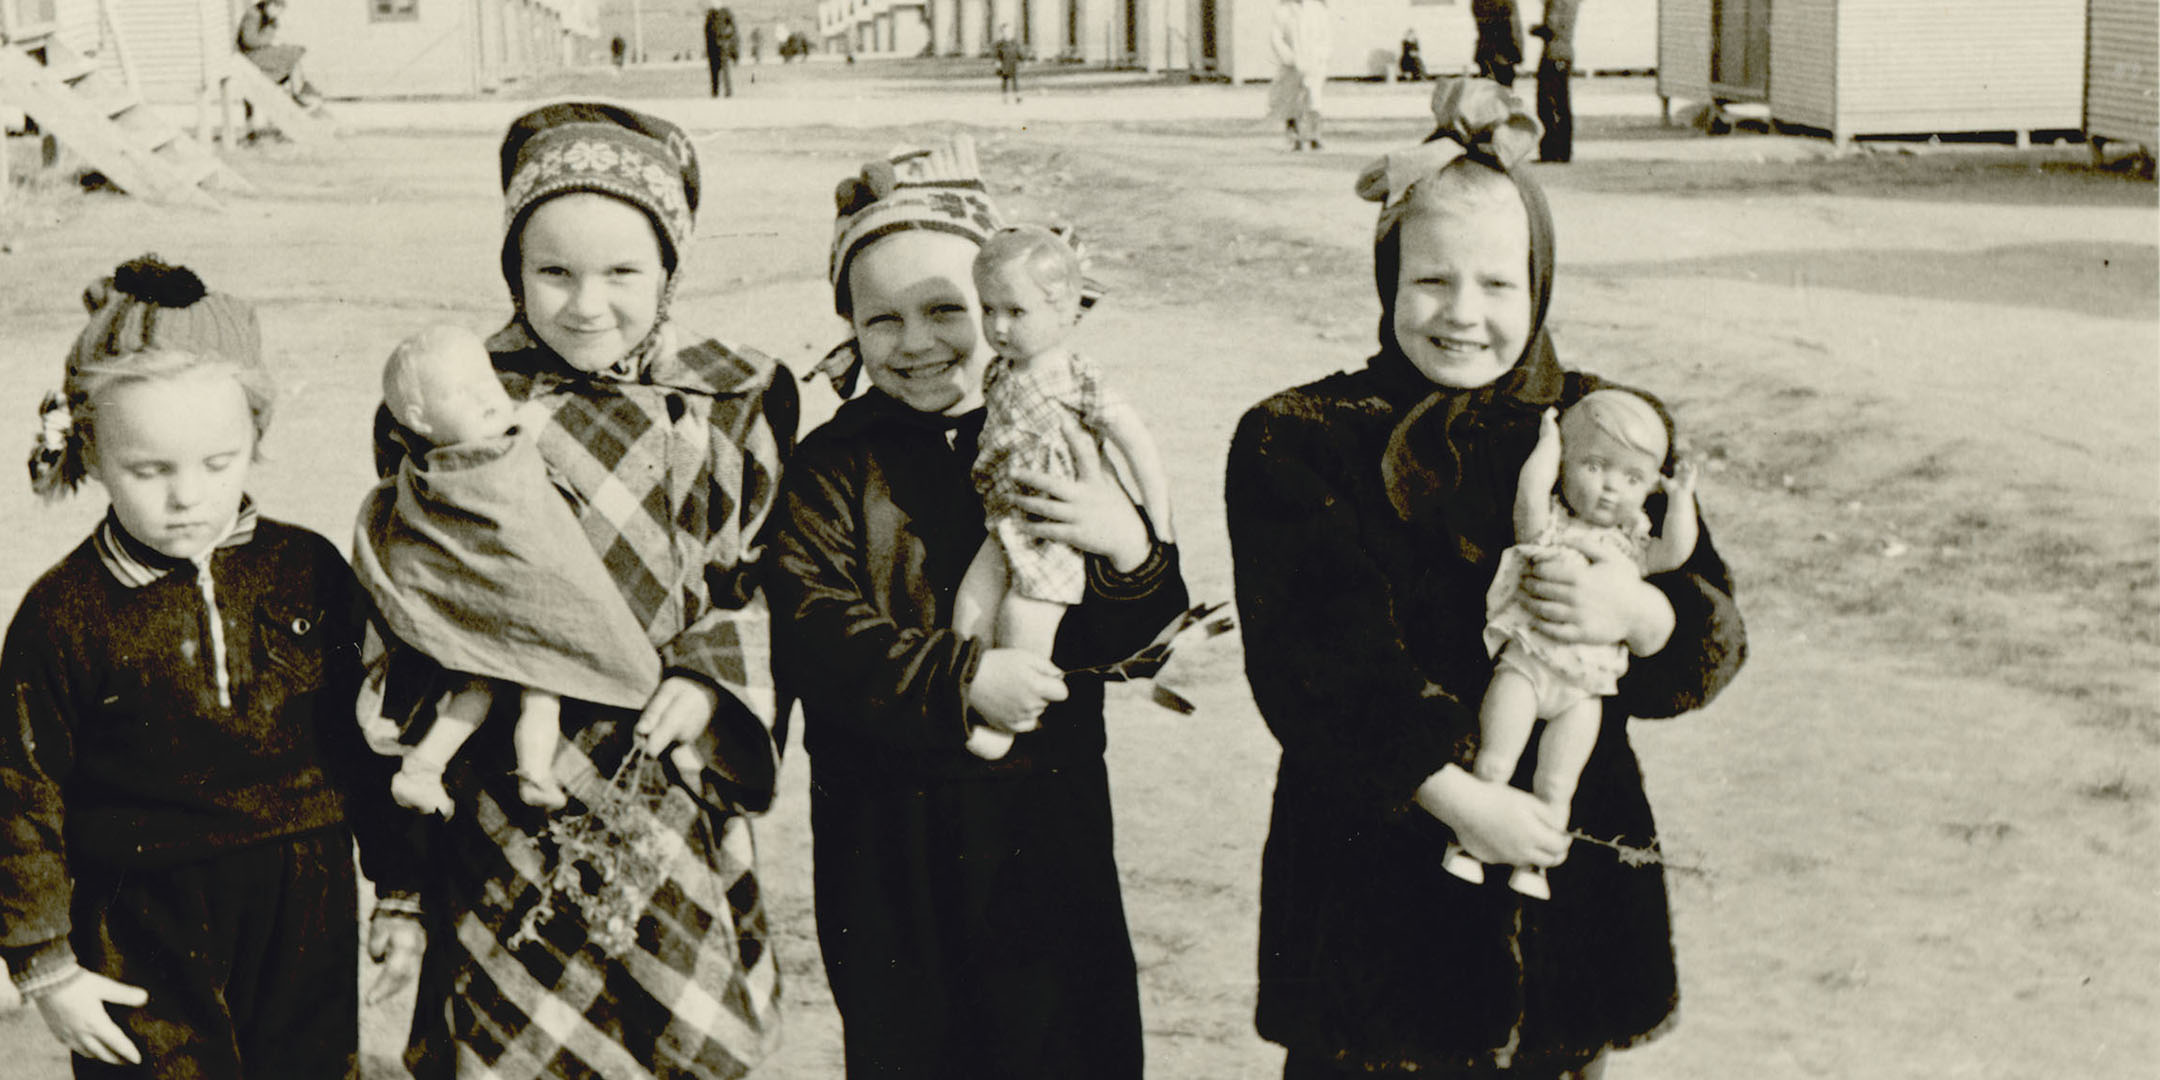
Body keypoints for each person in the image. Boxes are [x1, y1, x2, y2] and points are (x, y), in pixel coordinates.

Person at [1226, 80, 1746, 1078]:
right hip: (1371, 889)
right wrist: (1461, 799)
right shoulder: (1300, 440)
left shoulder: (1602, 423)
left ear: (1540, 284)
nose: (1463, 315)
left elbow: (1706, 630)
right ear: (1388, 281)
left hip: (1567, 877)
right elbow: (1314, 665)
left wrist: (1637, 611)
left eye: (1499, 286)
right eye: (1431, 282)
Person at [362, 102, 795, 1080]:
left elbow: (762, 572)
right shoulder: (462, 400)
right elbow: (415, 580)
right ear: (513, 271)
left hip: (664, 770)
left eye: (623, 273)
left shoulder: (732, 398)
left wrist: (713, 675)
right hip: (512, 781)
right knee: (521, 1013)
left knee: (675, 1013)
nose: (586, 304)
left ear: (670, 271)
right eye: (552, 271)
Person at [771, 135, 1188, 1077]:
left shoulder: (1065, 439)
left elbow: (1150, 639)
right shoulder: (835, 464)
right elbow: (811, 626)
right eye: (883, 320)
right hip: (885, 833)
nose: (916, 343)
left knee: (1060, 1042)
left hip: (1047, 819)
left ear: (1008, 313)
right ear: (849, 327)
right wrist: (966, 677)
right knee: (911, 1041)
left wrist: (1124, 541)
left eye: (946, 310)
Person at [1, 255, 419, 1076]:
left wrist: (401, 884)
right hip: (138, 911)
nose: (187, 496)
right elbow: (21, 786)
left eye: (217, 463)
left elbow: (365, 733)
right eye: (149, 470)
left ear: (256, 439)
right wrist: (44, 962)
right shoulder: (64, 613)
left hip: (307, 892)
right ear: (90, 450)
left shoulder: (307, 571)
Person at [354, 325, 665, 817]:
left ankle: (520, 772)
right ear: (419, 418)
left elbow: (542, 530)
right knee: (508, 686)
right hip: (492, 610)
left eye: (487, 380)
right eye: (461, 391)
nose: (486, 397)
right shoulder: (436, 476)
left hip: (530, 604)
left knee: (532, 687)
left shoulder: (511, 449)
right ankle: (430, 770)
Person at [1442, 391, 1702, 899]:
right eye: (1594, 466)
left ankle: (1534, 866)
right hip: (1527, 666)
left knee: (1558, 782)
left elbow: (1676, 550)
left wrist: (1683, 498)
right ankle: (1468, 847)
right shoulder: (1551, 528)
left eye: (1631, 479)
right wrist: (1546, 444)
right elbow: (1530, 496)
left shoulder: (1633, 546)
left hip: (1584, 690)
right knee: (1495, 760)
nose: (1609, 489)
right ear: (1566, 463)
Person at [955, 224, 1171, 759]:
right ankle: (966, 704)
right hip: (1007, 518)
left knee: (1024, 618)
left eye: (1017, 312)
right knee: (969, 607)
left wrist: (1159, 526)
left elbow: (1136, 442)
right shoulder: (1000, 373)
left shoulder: (1077, 379)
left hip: (1056, 528)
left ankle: (1008, 728)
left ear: (1065, 309)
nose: (998, 327)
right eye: (988, 309)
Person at [1268, 0, 1332, 151]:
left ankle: (1315, 136)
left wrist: (1320, 56)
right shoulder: (1282, 10)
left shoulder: (1318, 10)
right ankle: (1293, 138)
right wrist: (1289, 58)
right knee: (1291, 100)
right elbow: (1276, 38)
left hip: (1314, 63)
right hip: (1291, 64)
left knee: (1314, 99)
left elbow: (1326, 37)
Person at [235, 0, 321, 106]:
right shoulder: (253, 14)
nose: (277, 13)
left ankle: (299, 91)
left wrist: (273, 37)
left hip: (261, 52)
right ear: (269, 4)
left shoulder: (271, 19)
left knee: (294, 52)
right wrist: (270, 41)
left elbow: (269, 38)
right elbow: (249, 40)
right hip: (250, 56)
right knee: (291, 55)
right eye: (276, 9)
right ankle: (298, 94)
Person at [1531, 0, 1581, 162]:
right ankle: (1564, 151)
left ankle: (1550, 151)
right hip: (1566, 53)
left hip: (1553, 53)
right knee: (1563, 103)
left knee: (1547, 103)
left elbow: (1551, 27)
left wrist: (1534, 29)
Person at [1471, 0, 1524, 87]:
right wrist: (1517, 52)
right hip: (1503, 52)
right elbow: (1514, 26)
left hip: (1486, 51)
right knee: (1503, 92)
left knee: (1490, 91)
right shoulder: (1504, 3)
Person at [704, 5, 738, 98]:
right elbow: (707, 33)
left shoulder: (725, 14)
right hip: (714, 46)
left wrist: (732, 47)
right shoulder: (710, 16)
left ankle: (727, 91)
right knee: (715, 70)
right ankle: (716, 92)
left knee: (724, 70)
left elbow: (733, 32)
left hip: (723, 46)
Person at [994, 25, 1024, 103]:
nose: (1006, 33)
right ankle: (1005, 97)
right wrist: (997, 64)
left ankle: (1017, 96)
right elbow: (997, 55)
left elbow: (1019, 52)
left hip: (1013, 63)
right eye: (1004, 31)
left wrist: (1023, 59)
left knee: (1015, 81)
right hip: (1004, 64)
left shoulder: (1014, 42)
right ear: (1002, 33)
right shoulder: (1000, 44)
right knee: (1005, 80)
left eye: (1008, 31)